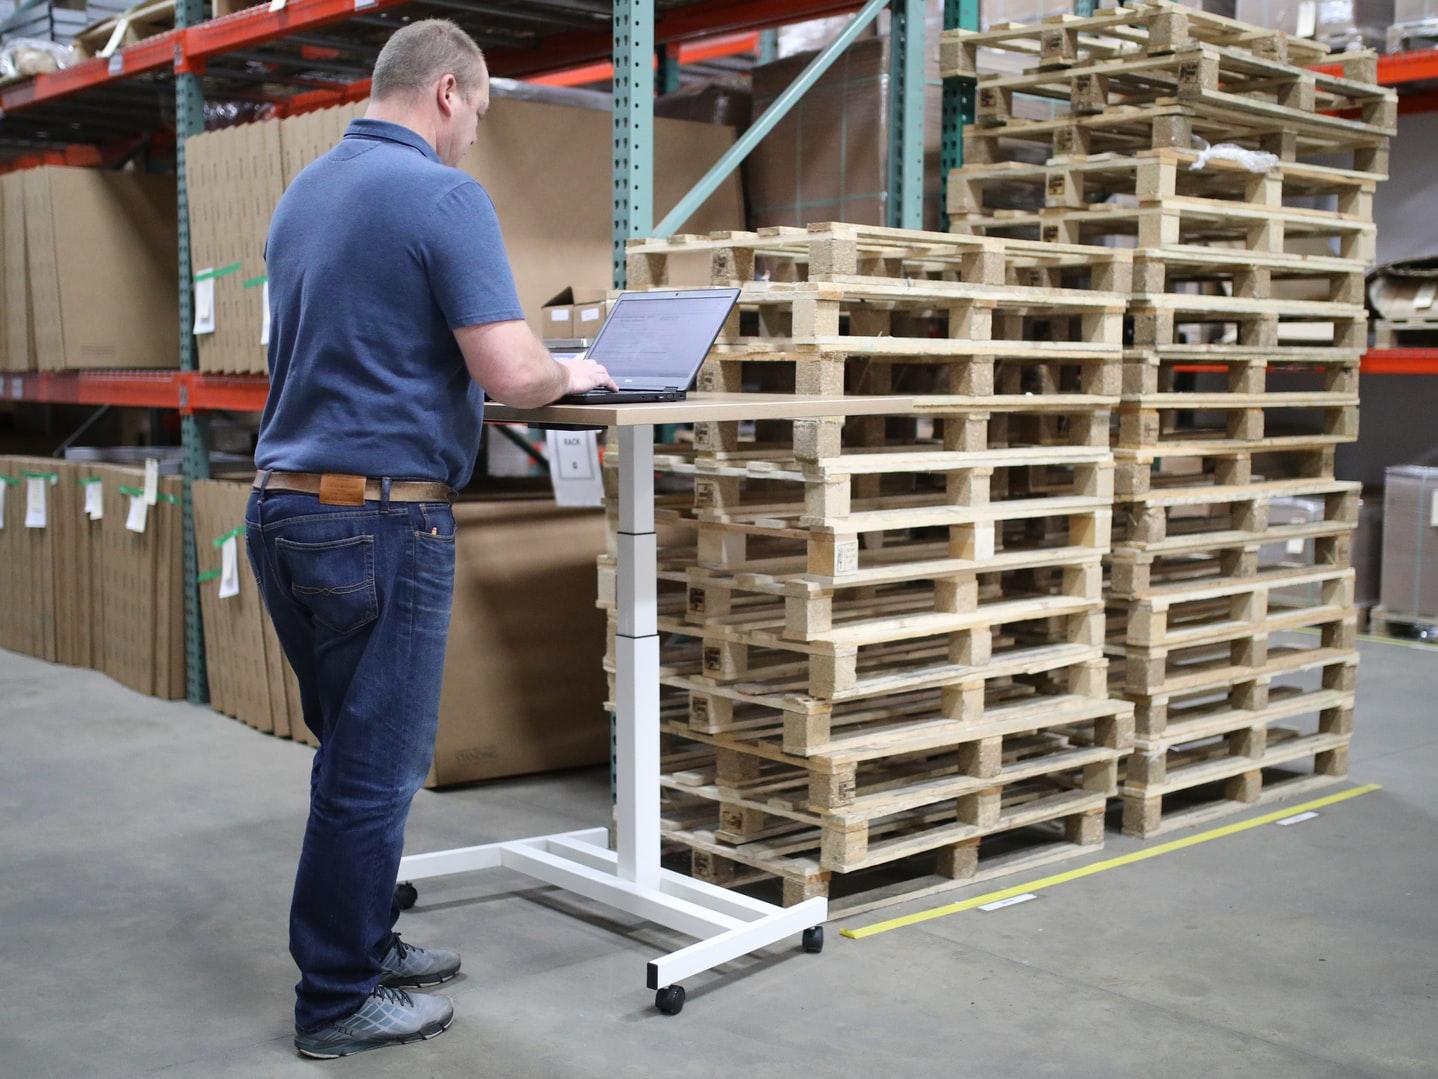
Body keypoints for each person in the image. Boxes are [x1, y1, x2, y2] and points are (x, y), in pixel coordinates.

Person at [243, 19, 615, 1060]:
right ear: (447, 92)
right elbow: (507, 371)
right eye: (480, 116)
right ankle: (337, 998)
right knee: (376, 767)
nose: (473, 140)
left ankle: (363, 939)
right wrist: (567, 373)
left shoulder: (305, 192)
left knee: (349, 756)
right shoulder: (441, 195)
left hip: (285, 507)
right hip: (378, 517)